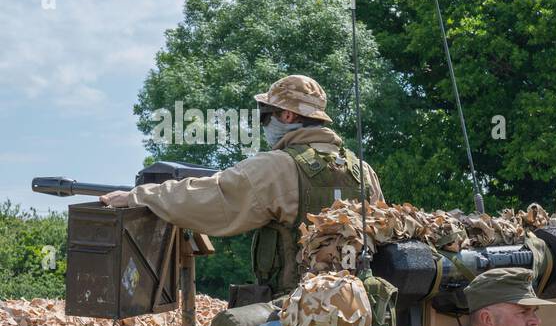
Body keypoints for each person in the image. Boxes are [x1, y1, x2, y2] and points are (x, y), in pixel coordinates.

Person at [100, 75, 383, 296]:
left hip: (297, 313)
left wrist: (140, 196)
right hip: (356, 310)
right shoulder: (363, 172)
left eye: (265, 115)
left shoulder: (276, 167)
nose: (264, 124)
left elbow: (210, 197)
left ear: (287, 116)